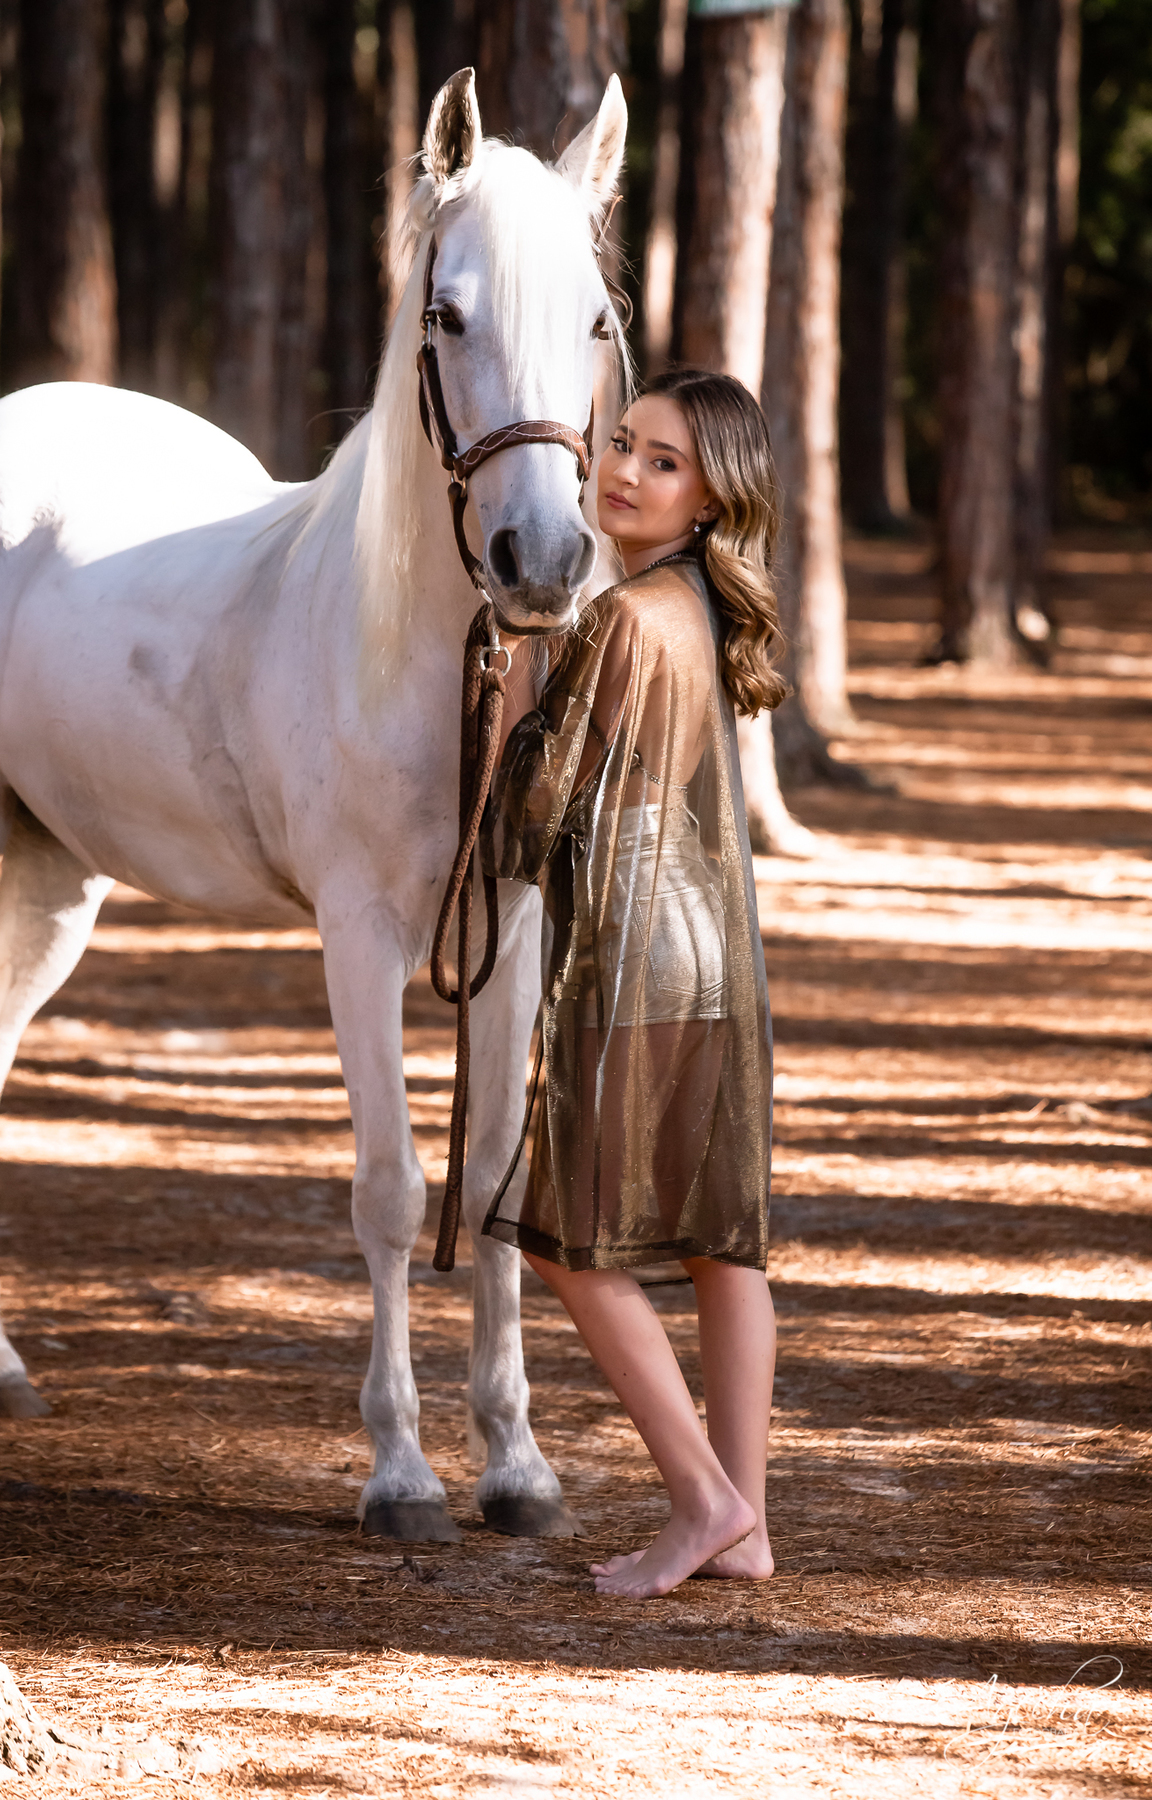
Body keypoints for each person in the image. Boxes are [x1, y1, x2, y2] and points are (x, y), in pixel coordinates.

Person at [481, 367, 785, 1599]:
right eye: (622, 442)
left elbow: (528, 824)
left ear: (712, 497)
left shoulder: (613, 623)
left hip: (636, 957)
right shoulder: (704, 608)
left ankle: (702, 1499)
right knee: (726, 1247)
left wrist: (513, 691)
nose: (623, 470)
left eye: (663, 461)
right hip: (717, 956)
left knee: (564, 1238)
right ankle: (749, 1524)